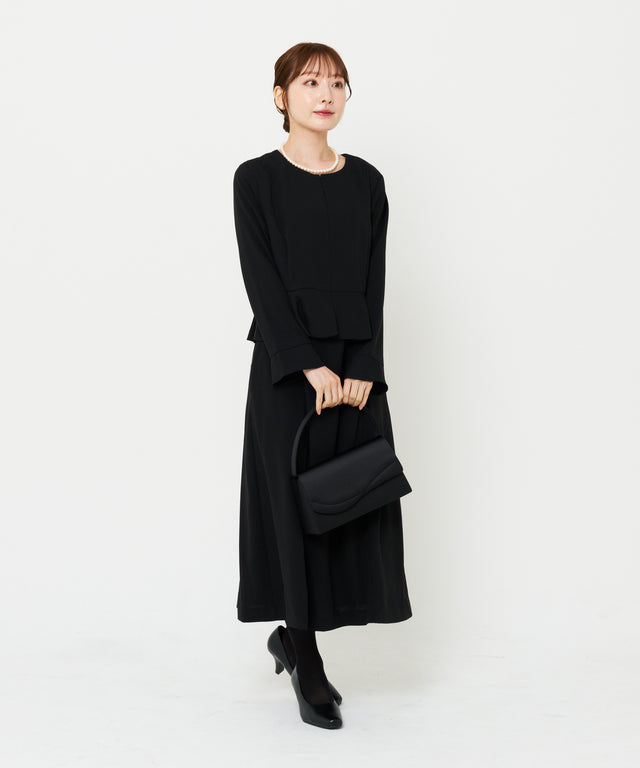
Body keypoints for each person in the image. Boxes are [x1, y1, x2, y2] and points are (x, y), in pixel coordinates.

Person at [232, 42, 413, 730]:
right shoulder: (255, 179)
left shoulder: (366, 180)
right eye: (310, 82)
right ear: (281, 96)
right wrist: (309, 365)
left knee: (351, 499)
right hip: (289, 369)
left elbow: (375, 280)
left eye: (337, 82)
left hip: (357, 368)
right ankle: (304, 653)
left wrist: (364, 367)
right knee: (291, 508)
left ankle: (304, 637)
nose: (325, 94)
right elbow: (262, 281)